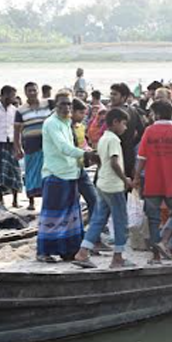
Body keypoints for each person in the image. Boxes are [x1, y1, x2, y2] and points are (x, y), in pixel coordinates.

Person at [74, 107, 134, 269]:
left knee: (98, 219)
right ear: (115, 123)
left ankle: (83, 252)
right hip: (114, 186)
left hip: (102, 183)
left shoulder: (103, 139)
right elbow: (114, 162)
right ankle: (118, 257)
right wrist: (125, 179)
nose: (125, 127)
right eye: (123, 124)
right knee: (121, 220)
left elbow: (101, 160)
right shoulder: (114, 140)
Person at [133, 100, 172, 260]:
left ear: (156, 114)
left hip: (152, 180)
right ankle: (165, 239)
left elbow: (141, 158)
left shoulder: (149, 131)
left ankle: (156, 255)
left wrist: (137, 177)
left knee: (153, 218)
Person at [38, 91, 88, 262]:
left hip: (70, 173)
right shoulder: (51, 123)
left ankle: (68, 251)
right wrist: (85, 154)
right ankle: (43, 252)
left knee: (70, 215)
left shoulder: (67, 122)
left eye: (68, 104)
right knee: (52, 216)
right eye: (62, 104)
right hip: (55, 174)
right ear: (55, 105)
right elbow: (62, 147)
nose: (66, 107)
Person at [14, 82, 53, 211]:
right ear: (25, 93)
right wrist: (17, 147)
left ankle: (47, 200)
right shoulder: (20, 110)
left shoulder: (48, 104)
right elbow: (17, 130)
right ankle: (31, 201)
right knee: (31, 172)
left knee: (47, 172)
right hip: (30, 145)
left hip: (47, 145)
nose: (32, 93)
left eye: (34, 90)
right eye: (29, 91)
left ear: (38, 91)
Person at [0, 85, 21, 207]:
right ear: (5, 95)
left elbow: (17, 128)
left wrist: (18, 146)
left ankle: (15, 199)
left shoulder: (14, 110)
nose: (13, 99)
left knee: (14, 171)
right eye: (12, 96)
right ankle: (0, 198)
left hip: (11, 142)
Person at [109, 82, 146, 179]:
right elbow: (142, 131)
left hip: (115, 154)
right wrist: (132, 143)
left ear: (124, 97)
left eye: (115, 94)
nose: (112, 97)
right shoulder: (133, 110)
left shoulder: (115, 113)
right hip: (129, 154)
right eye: (111, 94)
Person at [70, 98, 98, 219]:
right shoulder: (64, 128)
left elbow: (84, 144)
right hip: (69, 169)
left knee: (93, 198)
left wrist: (90, 151)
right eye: (81, 113)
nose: (83, 116)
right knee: (73, 202)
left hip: (80, 168)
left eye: (84, 114)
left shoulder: (81, 127)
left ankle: (92, 231)